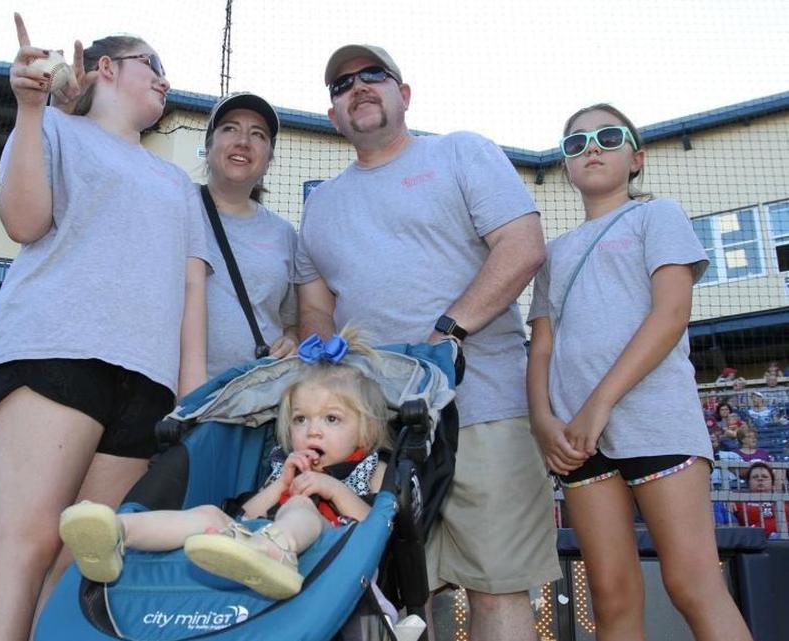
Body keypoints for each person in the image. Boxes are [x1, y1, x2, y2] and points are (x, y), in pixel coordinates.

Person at [296, 44, 556, 640]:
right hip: (380, 431)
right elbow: (314, 305)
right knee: (402, 595)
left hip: (484, 409)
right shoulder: (320, 206)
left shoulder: (461, 152)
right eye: (342, 84)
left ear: (403, 95)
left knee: (497, 588)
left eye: (373, 75)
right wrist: (321, 352)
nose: (358, 86)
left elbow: (522, 245)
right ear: (334, 115)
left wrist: (449, 332)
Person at [0, 18, 209, 641]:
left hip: (145, 382)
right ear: (106, 68)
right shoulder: (52, 128)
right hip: (52, 349)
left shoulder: (179, 182)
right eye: (150, 62)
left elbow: (190, 289)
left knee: (83, 561)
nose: (164, 79)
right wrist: (29, 106)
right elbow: (22, 221)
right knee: (25, 543)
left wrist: (193, 394)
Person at [527, 103, 751, 641]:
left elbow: (670, 314)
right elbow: (541, 347)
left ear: (636, 157)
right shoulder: (553, 254)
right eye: (575, 143)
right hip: (576, 441)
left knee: (691, 581)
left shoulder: (658, 215)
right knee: (610, 594)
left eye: (607, 136)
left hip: (654, 420)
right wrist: (543, 421)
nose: (591, 148)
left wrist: (598, 404)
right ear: (565, 166)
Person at [59, 329, 390, 599]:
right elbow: (245, 517)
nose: (313, 429)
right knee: (208, 515)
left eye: (332, 419)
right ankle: (118, 533)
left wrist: (330, 488)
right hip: (250, 549)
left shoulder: (370, 469)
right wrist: (279, 485)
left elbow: (377, 524)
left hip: (328, 558)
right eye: (301, 419)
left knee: (303, 507)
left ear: (366, 429)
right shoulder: (283, 466)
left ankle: (277, 551)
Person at [201, 92, 299, 376]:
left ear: (269, 160)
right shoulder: (176, 208)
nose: (243, 141)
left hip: (261, 393)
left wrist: (292, 341)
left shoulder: (284, 234)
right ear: (208, 147)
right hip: (184, 395)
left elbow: (291, 322)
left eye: (258, 134)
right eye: (230, 128)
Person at [732, 461, 788, 538]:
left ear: (772, 483)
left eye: (765, 476)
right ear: (748, 483)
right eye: (755, 477)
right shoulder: (739, 501)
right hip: (756, 540)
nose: (760, 479)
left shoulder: (785, 499)